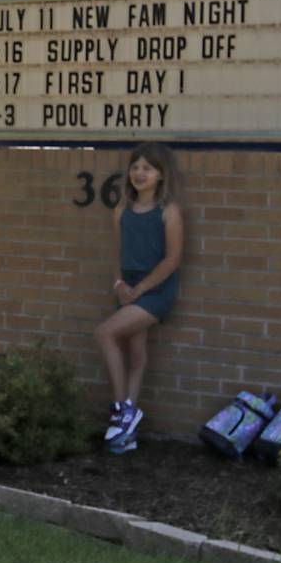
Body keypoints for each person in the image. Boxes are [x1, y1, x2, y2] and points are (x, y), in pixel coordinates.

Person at [91, 143, 185, 453]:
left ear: (160, 175)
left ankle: (121, 410)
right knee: (135, 352)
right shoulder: (121, 209)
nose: (140, 173)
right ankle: (125, 436)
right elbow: (119, 253)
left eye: (148, 168)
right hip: (127, 287)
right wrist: (119, 283)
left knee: (104, 333)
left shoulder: (168, 212)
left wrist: (140, 290)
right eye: (135, 167)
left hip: (155, 291)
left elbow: (172, 260)